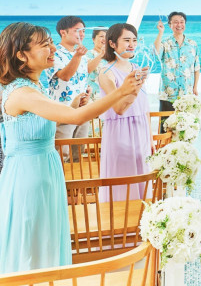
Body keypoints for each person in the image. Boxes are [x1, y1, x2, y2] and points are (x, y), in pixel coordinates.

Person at [0, 22, 141, 274]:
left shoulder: (34, 87)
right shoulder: (22, 92)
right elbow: (75, 119)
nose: (54, 48)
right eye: (45, 45)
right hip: (30, 177)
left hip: (44, 171)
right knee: (33, 243)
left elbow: (48, 120)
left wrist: (73, 105)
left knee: (46, 238)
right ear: (21, 55)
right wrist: (121, 92)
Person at [98, 24, 153, 201]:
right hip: (120, 132)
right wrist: (136, 87)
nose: (132, 45)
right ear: (112, 43)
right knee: (123, 182)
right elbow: (119, 108)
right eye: (127, 40)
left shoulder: (136, 67)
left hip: (142, 130)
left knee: (143, 177)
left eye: (134, 40)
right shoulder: (106, 72)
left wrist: (150, 137)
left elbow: (145, 107)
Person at [43, 16, 90, 161]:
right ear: (63, 32)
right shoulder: (54, 54)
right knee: (61, 153)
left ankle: (77, 175)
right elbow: (65, 76)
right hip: (63, 109)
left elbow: (83, 76)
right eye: (77, 30)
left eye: (83, 31)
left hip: (82, 108)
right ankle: (61, 176)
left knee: (78, 152)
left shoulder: (80, 54)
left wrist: (87, 92)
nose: (82, 34)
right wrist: (77, 56)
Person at [154, 12, 201, 127]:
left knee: (186, 127)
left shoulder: (193, 44)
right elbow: (156, 52)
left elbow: (197, 67)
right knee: (166, 127)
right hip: (168, 94)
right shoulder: (165, 43)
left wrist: (195, 87)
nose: (179, 25)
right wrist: (160, 32)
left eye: (182, 22)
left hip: (186, 93)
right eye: (175, 22)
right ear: (170, 25)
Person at [85, 27, 107, 103]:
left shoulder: (111, 57)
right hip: (92, 95)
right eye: (101, 36)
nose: (104, 39)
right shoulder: (88, 54)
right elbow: (88, 69)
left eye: (106, 37)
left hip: (107, 94)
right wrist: (101, 54)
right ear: (93, 39)